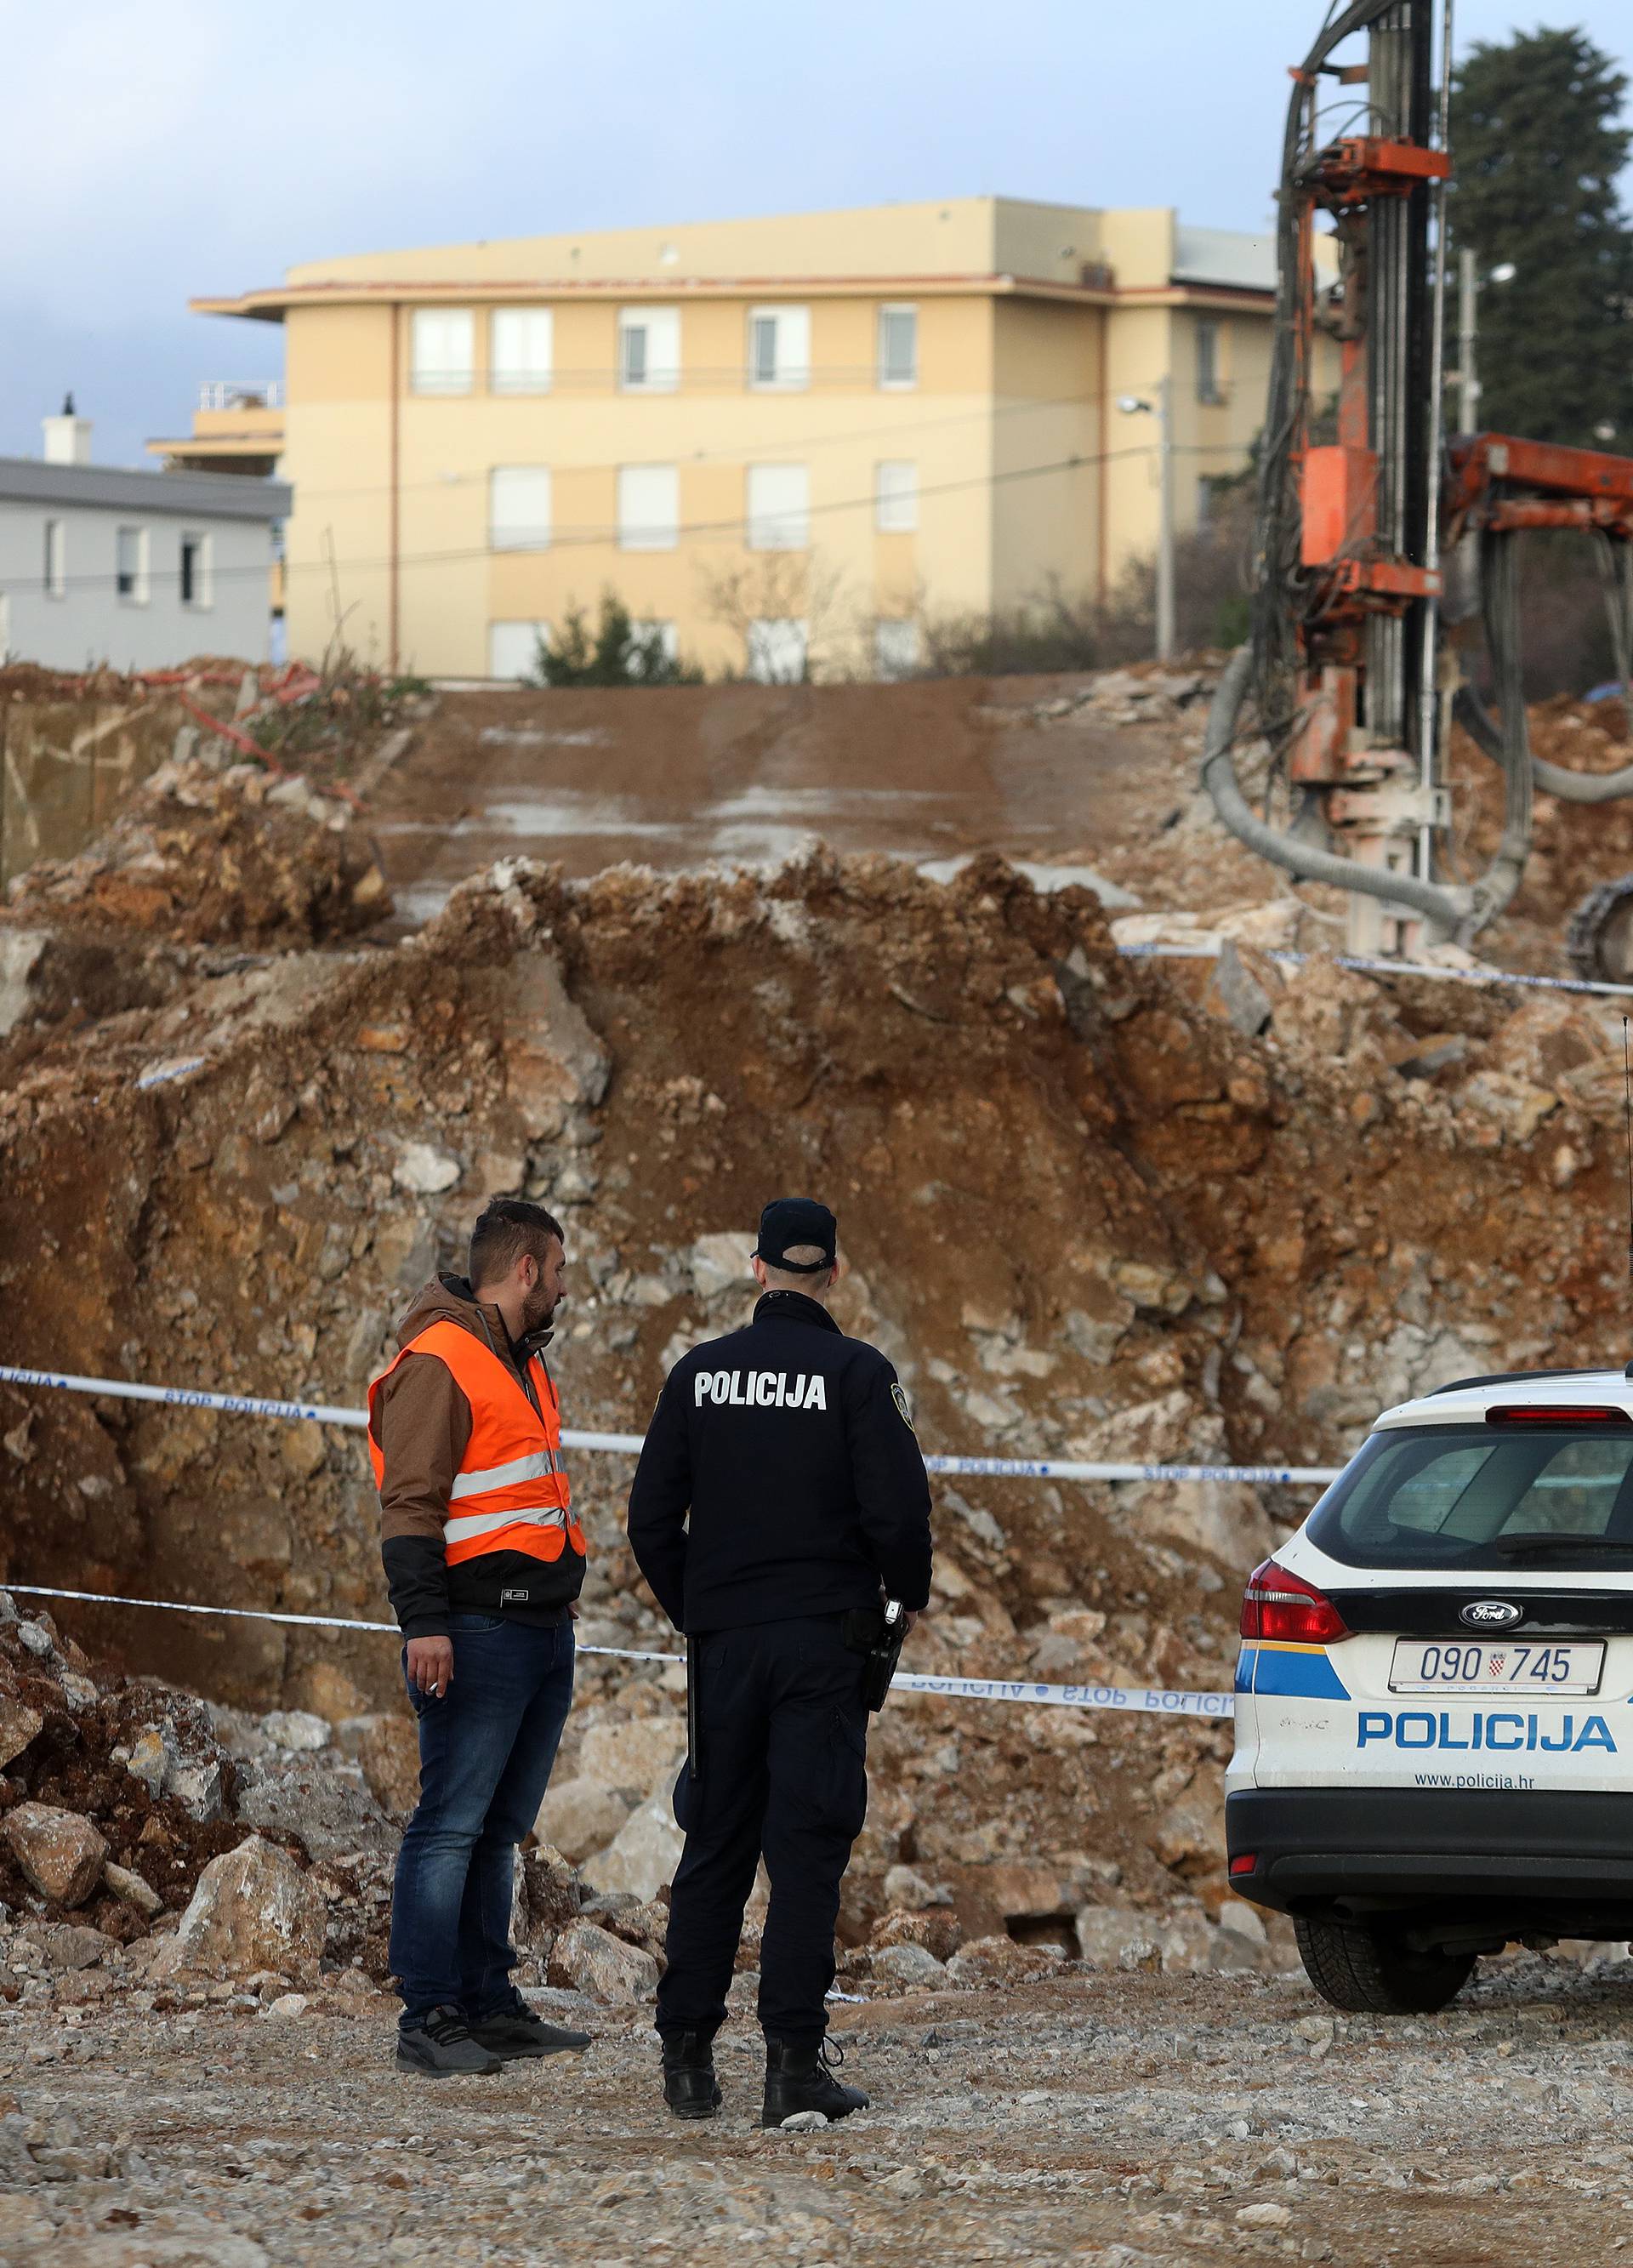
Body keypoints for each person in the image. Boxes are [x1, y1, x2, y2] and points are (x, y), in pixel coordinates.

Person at [627, 1197, 934, 2128]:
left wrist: (704, 1609)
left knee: (715, 1843)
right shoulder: (857, 1373)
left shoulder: (699, 1373)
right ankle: (792, 2068)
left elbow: (648, 1521)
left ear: (756, 1268)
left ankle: (687, 2059)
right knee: (804, 1852)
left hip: (724, 1647)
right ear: (832, 1273)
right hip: (819, 1644)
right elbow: (899, 1518)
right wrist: (902, 1593)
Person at [369, 1197, 590, 2077]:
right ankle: (429, 2013)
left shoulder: (520, 1361)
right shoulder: (442, 1360)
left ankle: (486, 2001)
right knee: (450, 1824)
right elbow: (410, 1505)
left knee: (497, 1829)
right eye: (560, 1271)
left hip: (535, 1626)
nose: (566, 1288)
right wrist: (424, 1622)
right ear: (525, 1268)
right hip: (473, 1625)